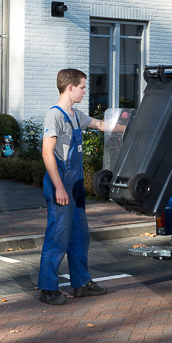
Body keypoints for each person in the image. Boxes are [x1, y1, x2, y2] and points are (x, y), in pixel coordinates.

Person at [38, 68, 113, 305]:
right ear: (70, 87)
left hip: (76, 184)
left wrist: (135, 127)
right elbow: (47, 153)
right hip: (62, 183)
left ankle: (81, 284)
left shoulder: (75, 115)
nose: (84, 91)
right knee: (58, 236)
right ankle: (48, 288)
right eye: (82, 87)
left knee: (80, 236)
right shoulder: (55, 116)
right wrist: (59, 187)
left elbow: (101, 125)